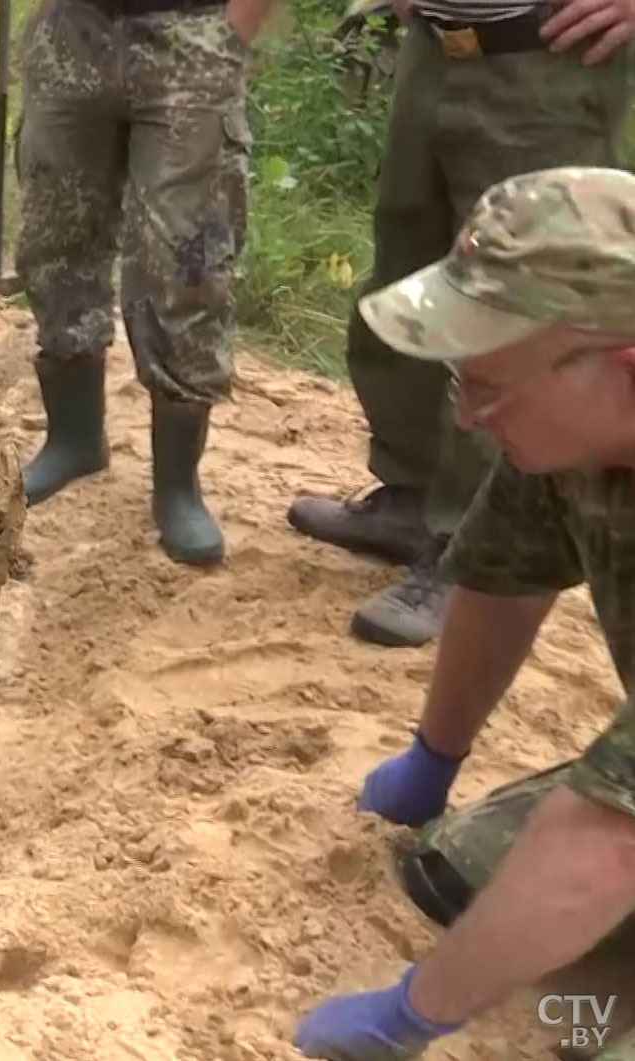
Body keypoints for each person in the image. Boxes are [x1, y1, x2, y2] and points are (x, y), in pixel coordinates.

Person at [291, 166, 635, 1059]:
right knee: (453, 870)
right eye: (461, 379)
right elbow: (501, 578)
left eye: (493, 384)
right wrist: (433, 757)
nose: (472, 417)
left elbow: (610, 845)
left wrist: (411, 1014)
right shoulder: (571, 431)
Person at [285, 0, 635, 649]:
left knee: (515, 321)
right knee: (409, 270)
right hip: (436, 47)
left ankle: (468, 552)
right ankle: (411, 494)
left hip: (548, 61)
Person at [11, 0, 274, 567]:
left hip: (190, 32)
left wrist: (234, 31)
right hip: (72, 30)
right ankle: (74, 440)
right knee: (55, 240)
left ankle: (178, 486)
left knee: (185, 260)